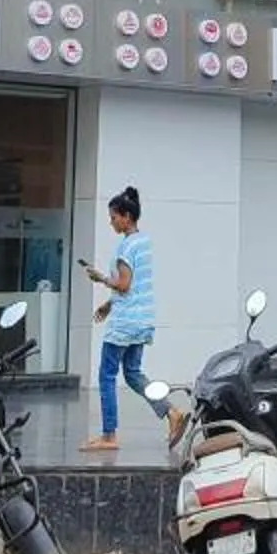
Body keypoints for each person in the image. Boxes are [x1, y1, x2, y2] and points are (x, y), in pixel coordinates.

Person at [79, 185, 154, 452]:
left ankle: (109, 435)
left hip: (125, 324)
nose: (111, 222)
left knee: (106, 375)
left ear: (126, 216)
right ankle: (171, 413)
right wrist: (109, 305)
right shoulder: (143, 242)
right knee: (133, 373)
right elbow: (135, 288)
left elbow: (123, 285)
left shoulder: (126, 248)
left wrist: (100, 277)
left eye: (113, 217)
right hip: (143, 318)